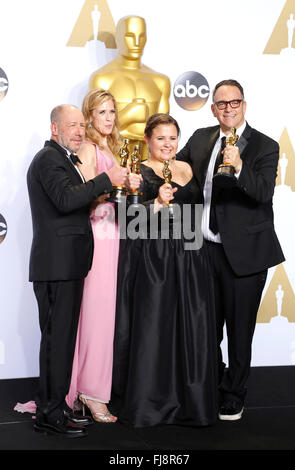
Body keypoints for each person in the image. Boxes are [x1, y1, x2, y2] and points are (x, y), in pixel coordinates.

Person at [177, 79, 285, 421]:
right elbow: (178, 173)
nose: (228, 108)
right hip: (205, 249)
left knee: (239, 330)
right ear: (213, 108)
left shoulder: (265, 146)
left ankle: (234, 393)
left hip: (246, 254)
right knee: (206, 327)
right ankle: (212, 383)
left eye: (234, 102)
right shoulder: (199, 138)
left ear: (244, 104)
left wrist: (239, 165)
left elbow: (263, 192)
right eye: (221, 104)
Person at [27, 104, 129, 437]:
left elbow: (77, 199)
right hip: (56, 265)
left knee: (62, 342)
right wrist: (105, 179)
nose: (79, 131)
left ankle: (55, 408)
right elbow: (65, 200)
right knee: (57, 343)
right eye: (71, 126)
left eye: (81, 126)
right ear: (54, 128)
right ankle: (49, 414)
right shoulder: (48, 160)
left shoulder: (64, 160)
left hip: (67, 264)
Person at [112, 113, 218, 427]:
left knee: (192, 325)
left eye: (172, 137)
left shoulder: (188, 167)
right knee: (154, 326)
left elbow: (199, 209)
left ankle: (192, 404)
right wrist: (156, 203)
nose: (167, 144)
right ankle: (151, 404)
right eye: (160, 138)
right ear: (147, 140)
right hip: (155, 255)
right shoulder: (137, 171)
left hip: (191, 253)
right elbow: (127, 223)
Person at [65, 89, 141, 423]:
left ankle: (89, 389)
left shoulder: (115, 147)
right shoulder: (88, 148)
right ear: (89, 116)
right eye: (101, 112)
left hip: (115, 234)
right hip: (97, 234)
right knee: (95, 314)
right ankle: (91, 393)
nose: (108, 118)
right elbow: (84, 194)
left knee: (106, 313)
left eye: (112, 112)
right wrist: (113, 189)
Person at [89, 15, 170, 159]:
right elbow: (95, 128)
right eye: (130, 36)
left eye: (142, 36)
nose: (137, 43)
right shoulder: (102, 79)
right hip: (112, 163)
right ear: (118, 39)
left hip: (150, 166)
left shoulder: (160, 81)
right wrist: (130, 114)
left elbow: (164, 132)